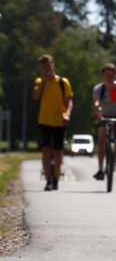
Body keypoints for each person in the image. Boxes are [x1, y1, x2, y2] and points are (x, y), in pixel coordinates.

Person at [32, 54, 74, 191]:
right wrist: (44, 82)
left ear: (53, 65)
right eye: (43, 67)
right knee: (45, 150)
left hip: (59, 121)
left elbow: (69, 101)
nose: (46, 69)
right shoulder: (39, 81)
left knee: (57, 152)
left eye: (48, 65)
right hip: (44, 120)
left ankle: (56, 178)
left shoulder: (63, 82)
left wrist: (67, 114)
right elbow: (35, 97)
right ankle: (48, 180)